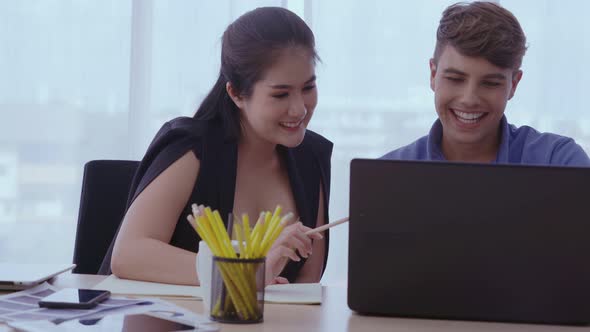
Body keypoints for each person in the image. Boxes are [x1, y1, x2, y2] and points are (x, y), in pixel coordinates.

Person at [98, 7, 332, 286]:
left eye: (308, 88)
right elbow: (129, 255)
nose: (299, 109)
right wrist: (246, 274)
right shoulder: (192, 148)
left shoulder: (312, 155)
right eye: (280, 94)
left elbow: (306, 287)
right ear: (236, 93)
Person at [382, 1, 590, 165]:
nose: (469, 99)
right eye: (455, 79)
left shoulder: (559, 161)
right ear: (433, 75)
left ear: (514, 85)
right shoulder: (385, 175)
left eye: (490, 83)